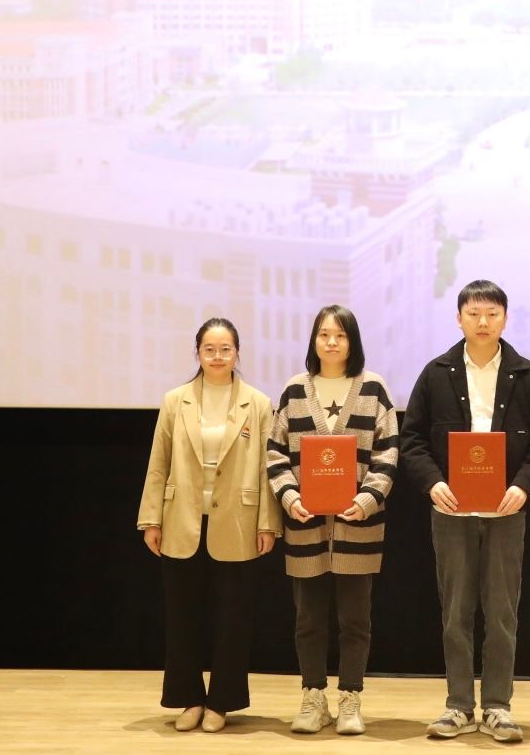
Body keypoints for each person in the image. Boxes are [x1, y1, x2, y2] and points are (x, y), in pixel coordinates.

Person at [400, 279, 530, 743]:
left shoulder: (527, 375)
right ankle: (458, 706)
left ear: (505, 319)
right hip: (451, 511)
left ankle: (497, 707)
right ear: (459, 319)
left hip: (507, 512)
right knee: (455, 612)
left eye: (492, 314)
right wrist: (433, 483)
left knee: (502, 613)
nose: (483, 322)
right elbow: (412, 440)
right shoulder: (436, 373)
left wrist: (523, 487)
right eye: (474, 314)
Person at [137, 317, 280, 734]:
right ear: (197, 353)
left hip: (238, 521)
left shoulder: (258, 403)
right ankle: (189, 699)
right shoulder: (174, 401)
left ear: (238, 353)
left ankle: (221, 702)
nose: (218, 357)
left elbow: (268, 468)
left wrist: (268, 523)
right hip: (181, 519)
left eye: (225, 349)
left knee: (233, 619)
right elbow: (158, 462)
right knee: (182, 618)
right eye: (209, 349)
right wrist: (151, 519)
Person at [267, 305, 399, 736]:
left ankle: (350, 699)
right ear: (314, 340)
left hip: (358, 525)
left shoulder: (374, 388)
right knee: (308, 620)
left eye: (340, 335)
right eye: (324, 334)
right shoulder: (294, 390)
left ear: (352, 341)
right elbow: (275, 452)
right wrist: (289, 497)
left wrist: (367, 499)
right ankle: (313, 698)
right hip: (305, 525)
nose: (331, 342)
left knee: (355, 620)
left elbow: (388, 452)